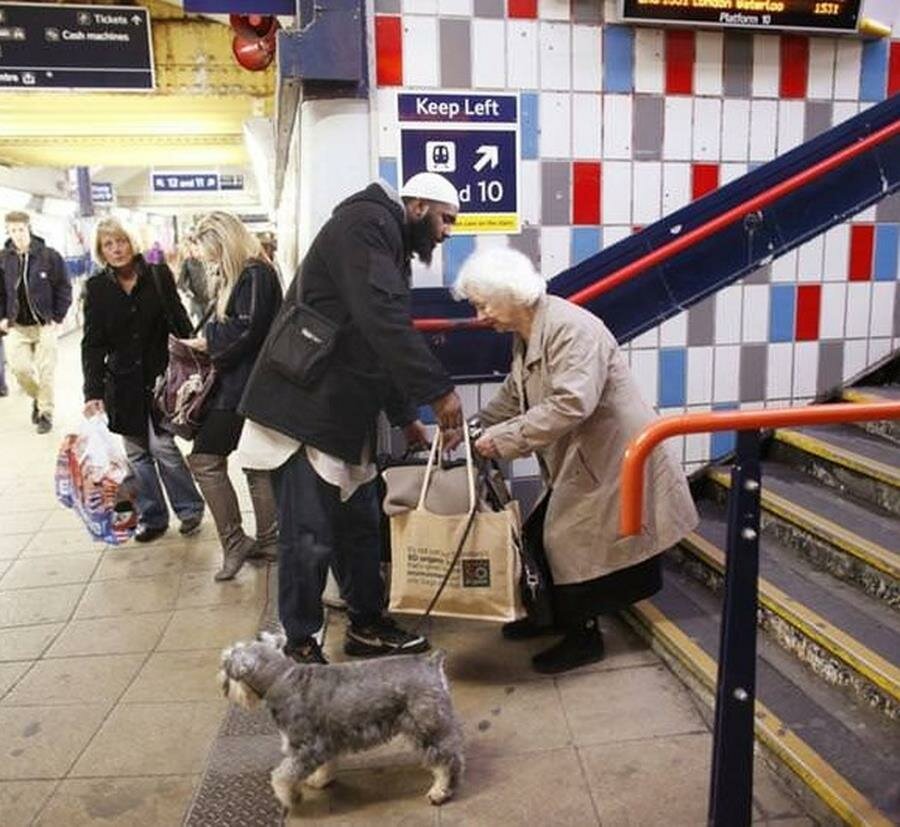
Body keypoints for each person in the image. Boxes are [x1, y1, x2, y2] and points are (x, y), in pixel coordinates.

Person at [237, 172, 465, 664]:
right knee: (308, 536)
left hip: (340, 412)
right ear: (419, 204)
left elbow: (374, 339)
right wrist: (440, 393)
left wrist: (407, 418)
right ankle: (299, 642)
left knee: (359, 527)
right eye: (447, 219)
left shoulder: (386, 240)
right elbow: (382, 321)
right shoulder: (366, 223)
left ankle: (366, 624)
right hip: (304, 410)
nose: (449, 232)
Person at [454, 246, 699, 675]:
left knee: (568, 538)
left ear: (512, 294)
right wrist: (474, 424)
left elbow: (572, 404)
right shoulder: (529, 332)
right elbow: (516, 394)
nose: (479, 316)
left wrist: (503, 439)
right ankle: (548, 617)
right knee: (541, 533)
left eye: (483, 304)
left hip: (615, 453)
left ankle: (583, 638)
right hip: (586, 454)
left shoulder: (572, 328)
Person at [82, 218, 205, 543]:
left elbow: (178, 318)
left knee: (163, 445)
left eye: (120, 241)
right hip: (121, 384)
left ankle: (190, 508)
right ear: (100, 251)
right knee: (137, 453)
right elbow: (93, 343)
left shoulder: (157, 274)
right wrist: (92, 391)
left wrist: (195, 357)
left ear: (132, 242)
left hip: (161, 377)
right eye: (108, 244)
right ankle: (153, 517)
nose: (116, 249)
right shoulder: (97, 287)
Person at [183, 212, 282, 581]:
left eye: (210, 250)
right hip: (248, 384)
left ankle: (237, 541)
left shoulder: (254, 273)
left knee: (205, 460)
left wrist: (209, 343)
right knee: (258, 464)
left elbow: (248, 330)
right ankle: (269, 541)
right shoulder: (248, 273)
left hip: (242, 386)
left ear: (225, 243)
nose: (206, 258)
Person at [0, 211, 72, 433]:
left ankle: (45, 414)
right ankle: (38, 399)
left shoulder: (49, 256)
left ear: (28, 228)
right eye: (12, 230)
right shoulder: (3, 259)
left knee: (46, 371)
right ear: (8, 231)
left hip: (44, 325)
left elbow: (63, 287)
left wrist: (57, 316)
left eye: (20, 229)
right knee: (19, 370)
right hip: (16, 326)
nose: (17, 235)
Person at [176, 236, 211, 325]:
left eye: (198, 249)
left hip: (210, 299)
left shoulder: (209, 261)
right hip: (197, 300)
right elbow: (180, 282)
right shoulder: (187, 262)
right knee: (202, 324)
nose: (198, 253)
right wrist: (188, 292)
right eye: (195, 250)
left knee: (209, 325)